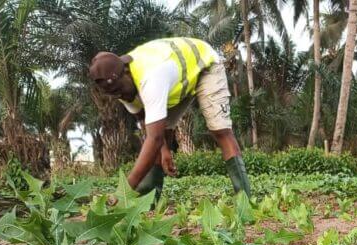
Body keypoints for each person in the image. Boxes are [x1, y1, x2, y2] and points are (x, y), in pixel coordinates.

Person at [88, 37, 250, 197]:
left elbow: (154, 139)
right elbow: (147, 125)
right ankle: (150, 201)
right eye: (113, 94)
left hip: (204, 66)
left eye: (119, 89)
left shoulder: (151, 77)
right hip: (176, 83)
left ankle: (244, 200)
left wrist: (125, 190)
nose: (120, 96)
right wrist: (165, 151)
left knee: (220, 130)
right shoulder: (121, 89)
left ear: (126, 72)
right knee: (157, 137)